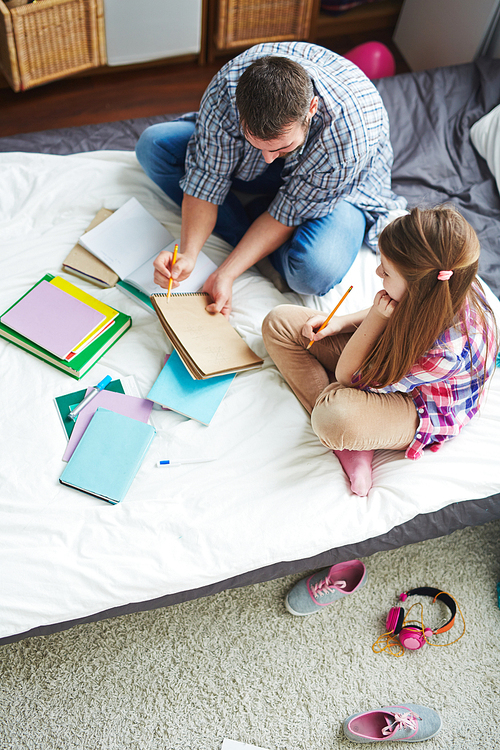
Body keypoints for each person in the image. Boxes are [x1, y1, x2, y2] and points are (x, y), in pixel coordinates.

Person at [135, 41, 406, 317]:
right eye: (256, 143)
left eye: (281, 147)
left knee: (313, 274)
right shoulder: (226, 88)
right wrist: (189, 255)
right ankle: (255, 233)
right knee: (153, 146)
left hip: (338, 181)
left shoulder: (348, 137)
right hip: (250, 165)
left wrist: (226, 273)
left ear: (311, 108)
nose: (268, 159)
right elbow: (206, 180)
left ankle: (252, 229)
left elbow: (287, 211)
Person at [262, 205, 498, 497]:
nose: (377, 272)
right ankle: (354, 436)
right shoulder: (441, 282)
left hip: (421, 405)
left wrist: (376, 317)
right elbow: (394, 305)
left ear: (415, 287)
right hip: (397, 356)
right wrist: (341, 322)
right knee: (280, 323)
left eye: (385, 272)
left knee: (333, 417)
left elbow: (347, 376)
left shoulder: (446, 352)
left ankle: (353, 444)